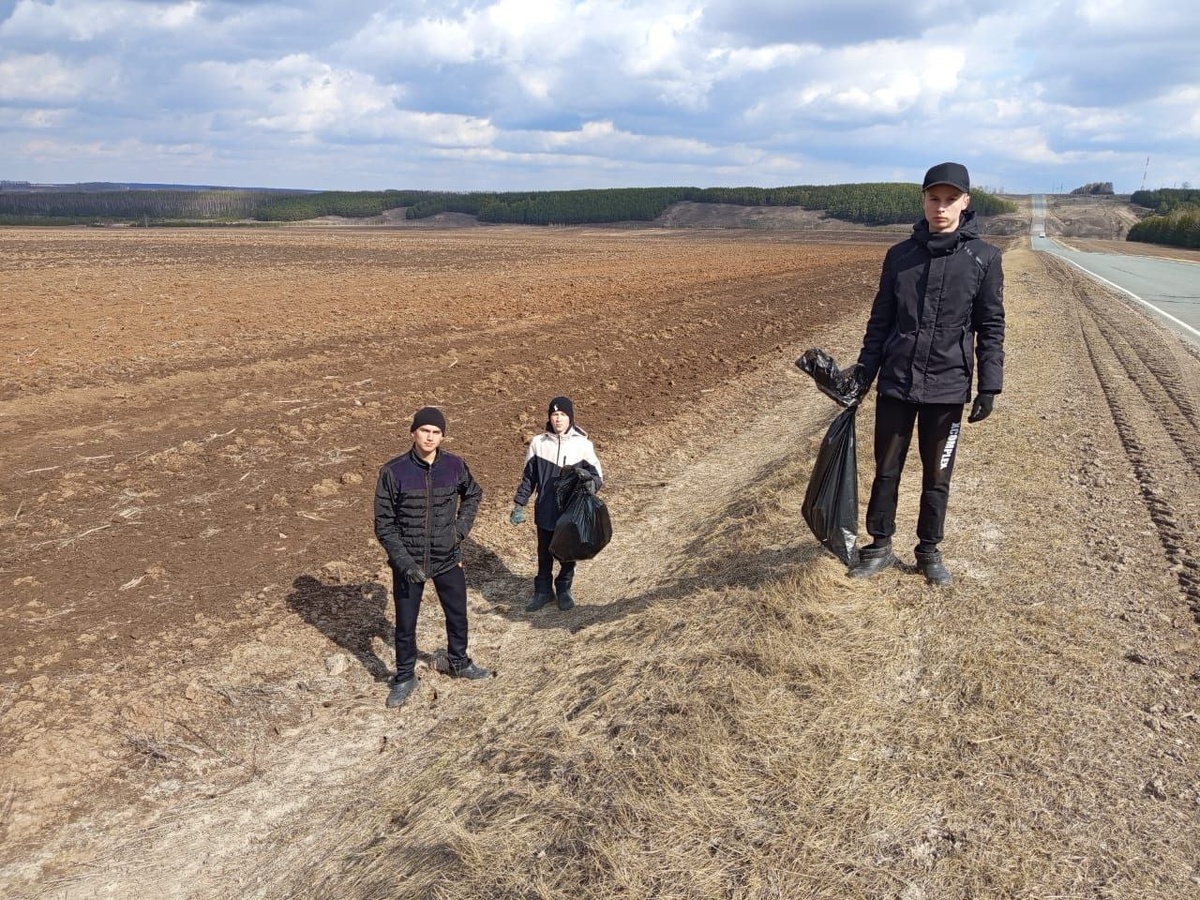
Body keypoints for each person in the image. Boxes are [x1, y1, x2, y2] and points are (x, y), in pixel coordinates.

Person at [847, 161, 1005, 586]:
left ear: (965, 203)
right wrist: (864, 373)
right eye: (934, 198)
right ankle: (879, 545)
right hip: (897, 384)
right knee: (886, 470)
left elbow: (991, 326)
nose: (941, 207)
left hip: (948, 388)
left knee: (938, 476)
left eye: (950, 199)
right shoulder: (900, 256)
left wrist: (989, 386)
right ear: (923, 201)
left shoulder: (984, 258)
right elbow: (880, 322)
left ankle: (929, 551)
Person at [373, 406, 488, 709]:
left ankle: (459, 661)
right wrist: (403, 563)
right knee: (405, 623)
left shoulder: (454, 465)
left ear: (442, 437)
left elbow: (473, 493)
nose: (430, 437)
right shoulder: (393, 471)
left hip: (447, 556)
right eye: (425, 430)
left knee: (457, 613)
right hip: (408, 562)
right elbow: (384, 524)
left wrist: (459, 531)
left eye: (436, 432)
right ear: (413, 432)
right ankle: (404, 676)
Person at [509, 396, 604, 611]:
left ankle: (563, 589)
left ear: (570, 417)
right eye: (554, 414)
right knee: (544, 553)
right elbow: (529, 478)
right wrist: (519, 504)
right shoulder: (538, 444)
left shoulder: (583, 445)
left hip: (570, 511)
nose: (558, 419)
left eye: (562, 415)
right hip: (545, 508)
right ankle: (543, 591)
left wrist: (591, 484)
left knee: (567, 552)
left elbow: (597, 475)